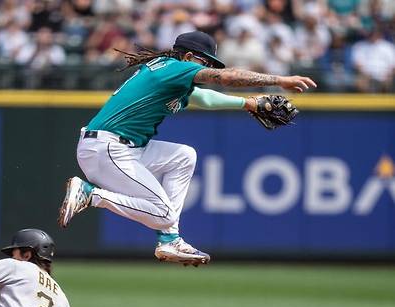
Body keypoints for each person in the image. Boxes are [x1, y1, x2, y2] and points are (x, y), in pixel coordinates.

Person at [57, 31, 316, 266]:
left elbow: (203, 98)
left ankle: (170, 239)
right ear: (189, 56)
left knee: (183, 156)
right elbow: (226, 78)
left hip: (120, 147)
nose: (208, 70)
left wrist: (247, 104)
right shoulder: (174, 68)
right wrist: (280, 79)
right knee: (161, 212)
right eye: (206, 63)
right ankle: (90, 194)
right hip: (108, 148)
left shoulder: (168, 73)